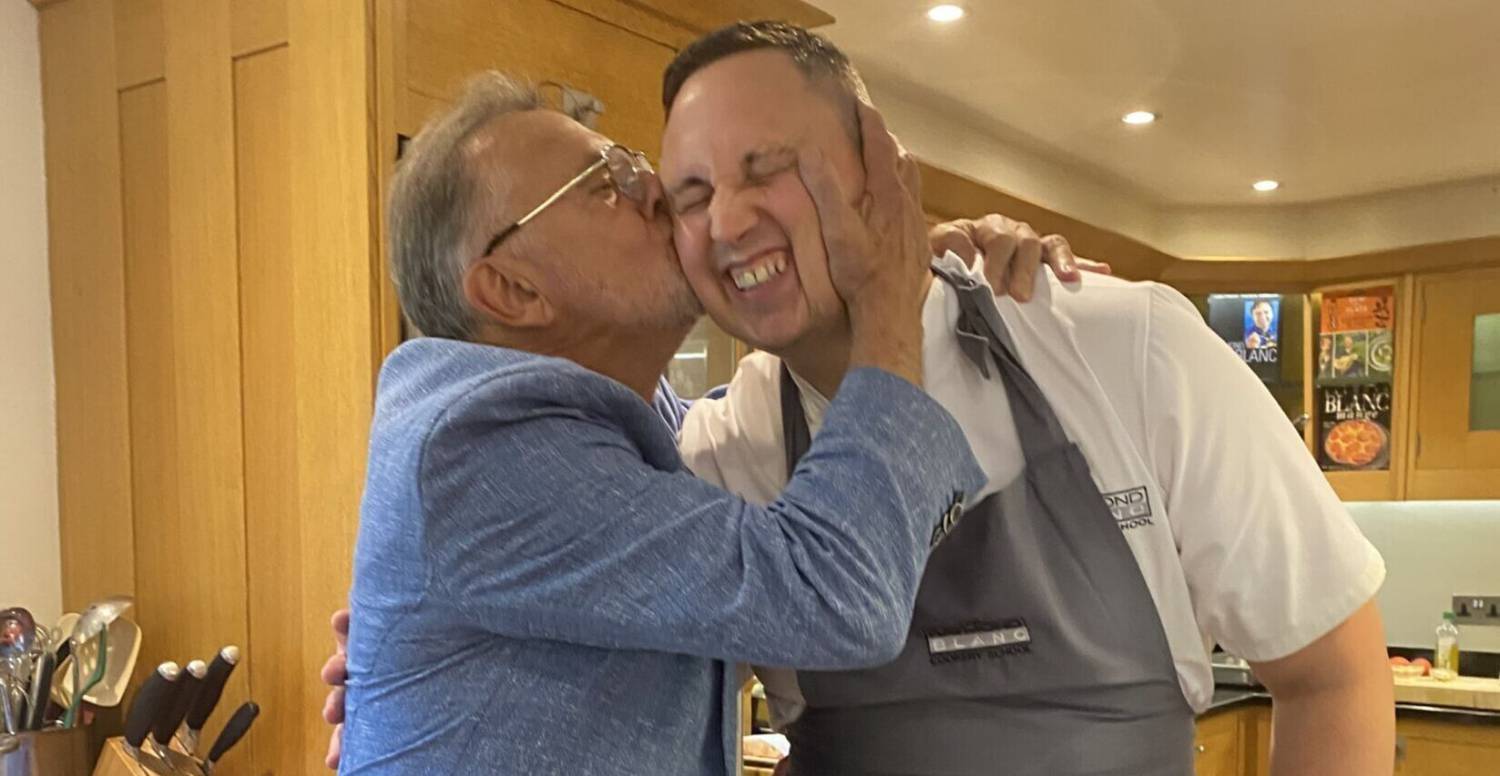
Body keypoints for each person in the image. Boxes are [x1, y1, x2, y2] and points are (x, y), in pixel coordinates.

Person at [655, 21, 1394, 776]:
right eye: (691, 195)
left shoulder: (1126, 349)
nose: (727, 222)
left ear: (883, 170)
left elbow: (1335, 678)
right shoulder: (721, 454)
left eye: (767, 168)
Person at [332, 68, 1083, 775]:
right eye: (606, 184)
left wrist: (938, 286)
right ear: (511, 290)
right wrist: (889, 300)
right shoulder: (480, 445)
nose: (655, 191)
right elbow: (834, 595)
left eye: (635, 164)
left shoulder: (620, 425)